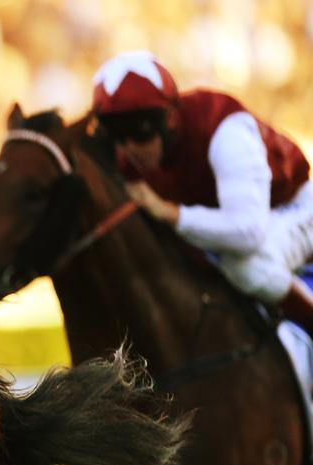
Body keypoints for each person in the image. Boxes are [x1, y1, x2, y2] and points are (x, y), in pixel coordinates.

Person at [90, 50, 313, 333]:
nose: (129, 146)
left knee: (247, 266)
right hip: (228, 229)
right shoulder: (128, 159)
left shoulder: (225, 130)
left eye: (140, 129)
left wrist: (170, 213)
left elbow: (247, 232)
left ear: (168, 118)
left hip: (291, 208)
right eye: (116, 134)